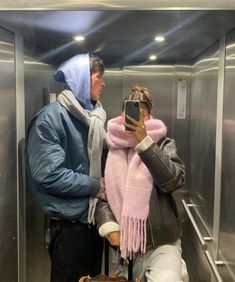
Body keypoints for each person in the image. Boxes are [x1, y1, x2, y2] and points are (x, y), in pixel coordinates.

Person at [25, 53, 107, 282]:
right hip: (69, 230)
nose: (103, 83)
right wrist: (96, 186)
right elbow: (49, 175)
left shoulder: (93, 119)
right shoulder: (51, 119)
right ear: (81, 79)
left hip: (92, 222)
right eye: (98, 77)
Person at [95, 84, 188, 282]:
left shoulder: (163, 143)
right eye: (129, 113)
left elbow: (173, 181)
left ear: (148, 116)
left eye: (141, 114)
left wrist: (144, 142)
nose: (135, 119)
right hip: (124, 250)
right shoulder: (110, 147)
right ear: (121, 114)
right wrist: (109, 226)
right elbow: (103, 193)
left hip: (162, 245)